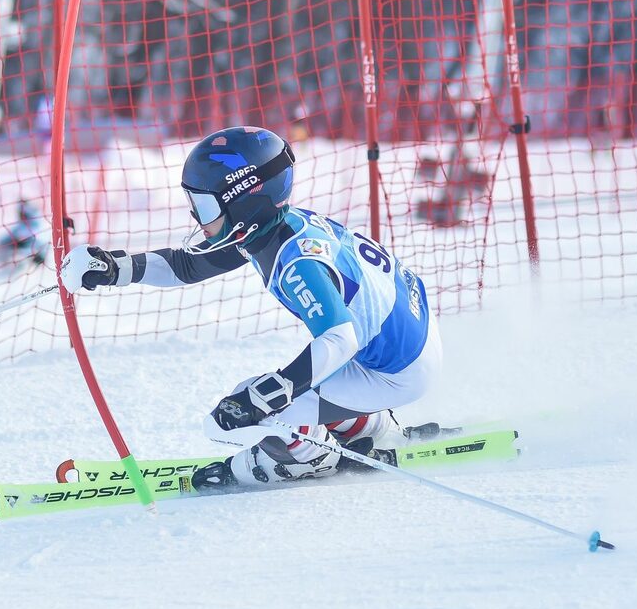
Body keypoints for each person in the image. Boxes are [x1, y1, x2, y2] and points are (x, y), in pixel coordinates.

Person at [59, 125, 441, 492]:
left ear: (244, 199)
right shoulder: (270, 227)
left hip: (395, 369)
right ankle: (369, 428)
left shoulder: (295, 262)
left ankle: (310, 457)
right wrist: (113, 269)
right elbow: (188, 265)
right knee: (281, 388)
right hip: (406, 339)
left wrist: (271, 396)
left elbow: (341, 338)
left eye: (204, 205)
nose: (197, 217)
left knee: (242, 412)